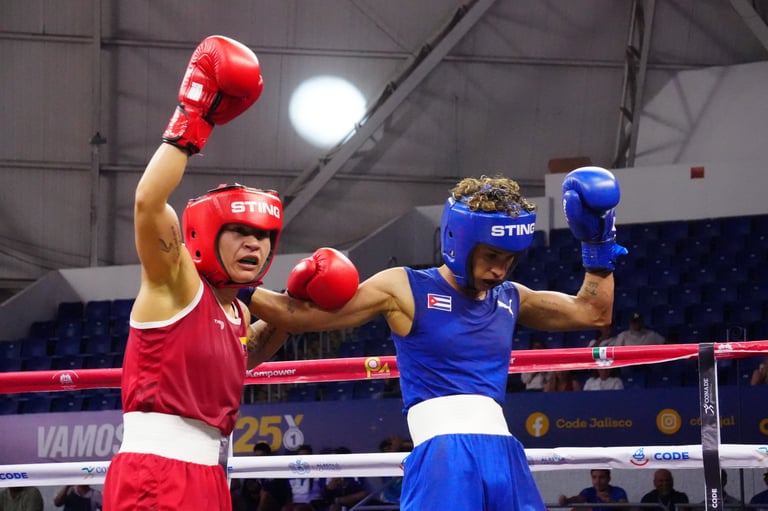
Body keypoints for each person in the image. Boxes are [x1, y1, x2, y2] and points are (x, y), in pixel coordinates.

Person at [247, 168, 625, 510]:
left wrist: (597, 244)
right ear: (460, 242)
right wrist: (235, 282)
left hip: (504, 453)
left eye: (509, 259)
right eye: (491, 256)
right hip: (445, 455)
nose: (499, 270)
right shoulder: (403, 287)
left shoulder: (510, 296)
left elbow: (593, 313)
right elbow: (297, 317)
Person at [101, 35, 358, 511]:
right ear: (206, 235)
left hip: (209, 473)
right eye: (239, 231)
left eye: (262, 236)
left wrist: (294, 305)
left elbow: (247, 353)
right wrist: (194, 115)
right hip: (157, 473)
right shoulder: (175, 282)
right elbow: (148, 202)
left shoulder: (238, 313)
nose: (253, 244)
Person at [234, 442, 292, 511]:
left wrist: (261, 492)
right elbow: (245, 492)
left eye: (261, 456)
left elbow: (282, 494)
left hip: (273, 502)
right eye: (256, 457)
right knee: (232, 496)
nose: (258, 459)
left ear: (268, 456)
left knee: (264, 494)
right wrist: (253, 493)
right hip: (253, 503)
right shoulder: (251, 472)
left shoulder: (276, 471)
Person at [558, 469, 629, 511]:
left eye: (602, 477)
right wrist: (567, 500)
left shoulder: (618, 491)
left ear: (609, 478)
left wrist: (611, 502)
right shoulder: (588, 491)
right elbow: (578, 498)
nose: (597, 481)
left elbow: (626, 507)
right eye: (594, 477)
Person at [286, 444, 326, 511]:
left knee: (298, 509)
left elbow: (324, 491)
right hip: (295, 503)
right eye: (300, 456)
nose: (303, 459)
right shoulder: (291, 474)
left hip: (312, 503)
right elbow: (288, 493)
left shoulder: (317, 472)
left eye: (305, 456)